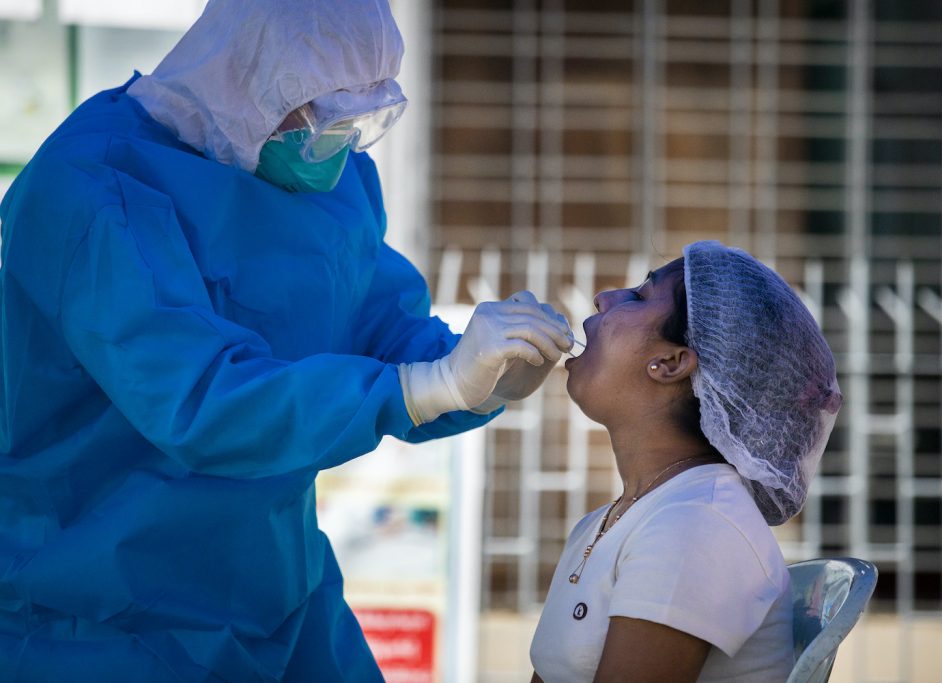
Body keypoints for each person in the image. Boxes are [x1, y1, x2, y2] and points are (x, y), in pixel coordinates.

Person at [0, 1, 572, 681]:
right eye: (328, 118)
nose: (342, 145)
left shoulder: (329, 170)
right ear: (245, 80)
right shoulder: (96, 188)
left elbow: (374, 322)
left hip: (281, 589)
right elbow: (201, 399)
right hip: (102, 611)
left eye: (367, 119)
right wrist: (425, 388)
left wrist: (476, 374)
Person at [529, 241, 843, 683]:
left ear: (671, 363)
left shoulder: (696, 524)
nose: (603, 297)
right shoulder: (617, 519)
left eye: (639, 297)